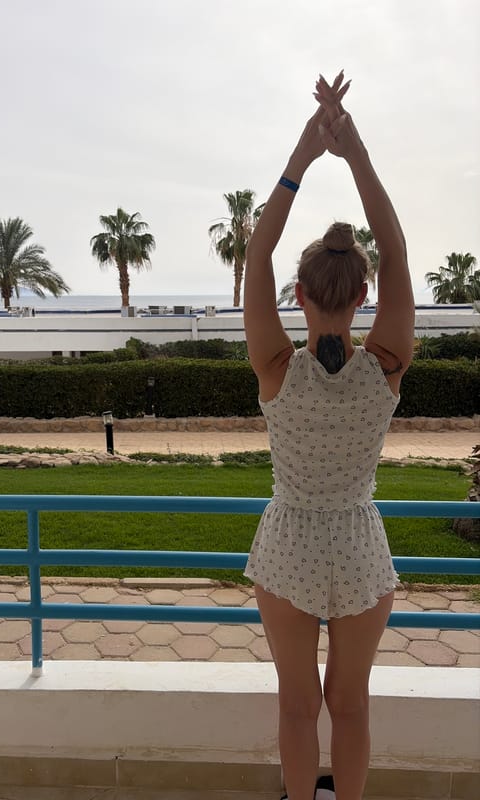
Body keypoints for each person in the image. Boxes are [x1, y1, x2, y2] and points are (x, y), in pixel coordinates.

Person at [243, 72, 415, 800]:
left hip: (288, 543)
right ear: (365, 296)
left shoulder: (278, 368)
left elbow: (257, 254)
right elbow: (398, 249)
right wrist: (355, 153)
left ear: (301, 296)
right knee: (351, 706)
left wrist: (305, 155)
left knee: (295, 705)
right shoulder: (385, 370)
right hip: (358, 543)